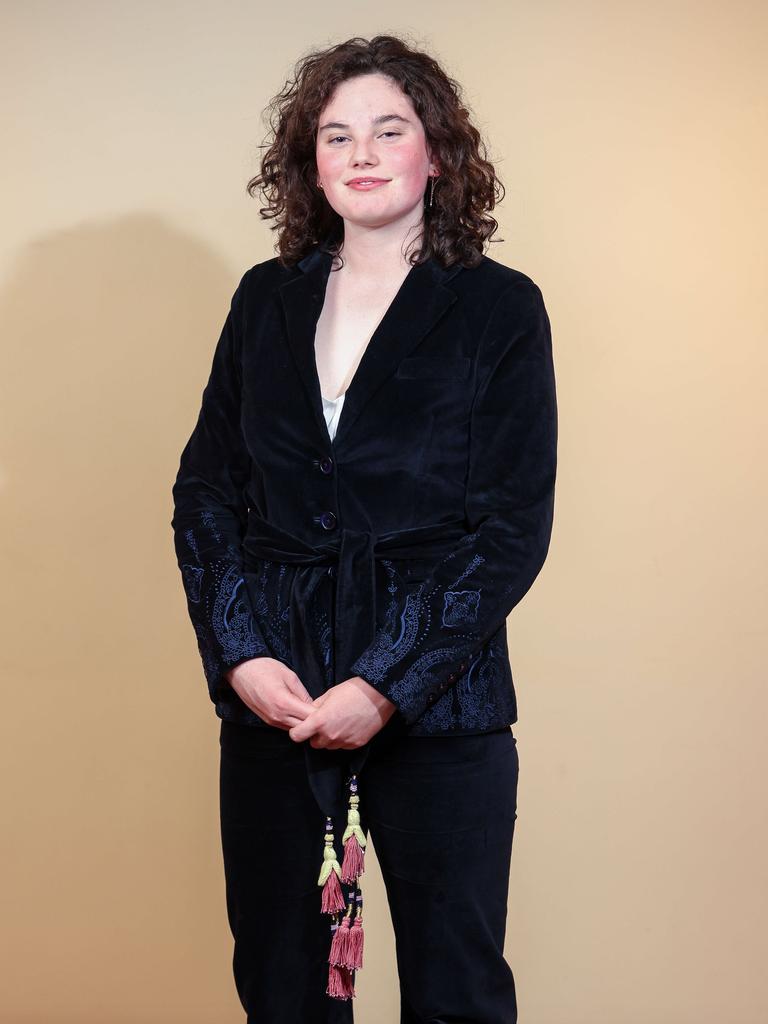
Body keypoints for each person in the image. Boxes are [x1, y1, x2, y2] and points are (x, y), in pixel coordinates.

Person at [171, 33, 558, 1024]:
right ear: (310, 160)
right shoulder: (267, 297)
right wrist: (241, 652)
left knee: (456, 993)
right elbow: (207, 491)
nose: (363, 152)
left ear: (437, 149)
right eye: (335, 135)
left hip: (441, 705)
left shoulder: (499, 308)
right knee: (284, 989)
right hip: (279, 702)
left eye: (389, 128)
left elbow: (509, 526)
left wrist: (384, 681)